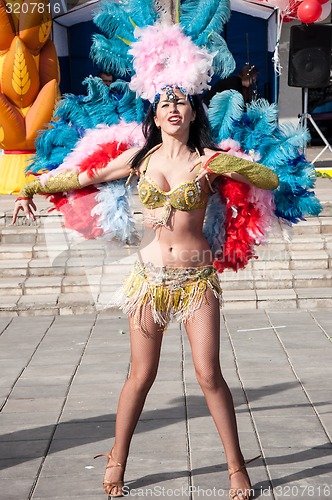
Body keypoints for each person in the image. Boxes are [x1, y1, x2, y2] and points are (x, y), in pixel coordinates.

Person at [13, 85, 278, 500]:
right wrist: (29, 188)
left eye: (182, 103)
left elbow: (270, 177)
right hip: (149, 279)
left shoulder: (208, 161)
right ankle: (117, 458)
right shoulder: (140, 160)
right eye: (165, 104)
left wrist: (224, 161)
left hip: (195, 281)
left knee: (209, 375)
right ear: (154, 118)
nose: (174, 108)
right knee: (141, 375)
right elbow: (85, 176)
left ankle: (236, 467)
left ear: (193, 114)